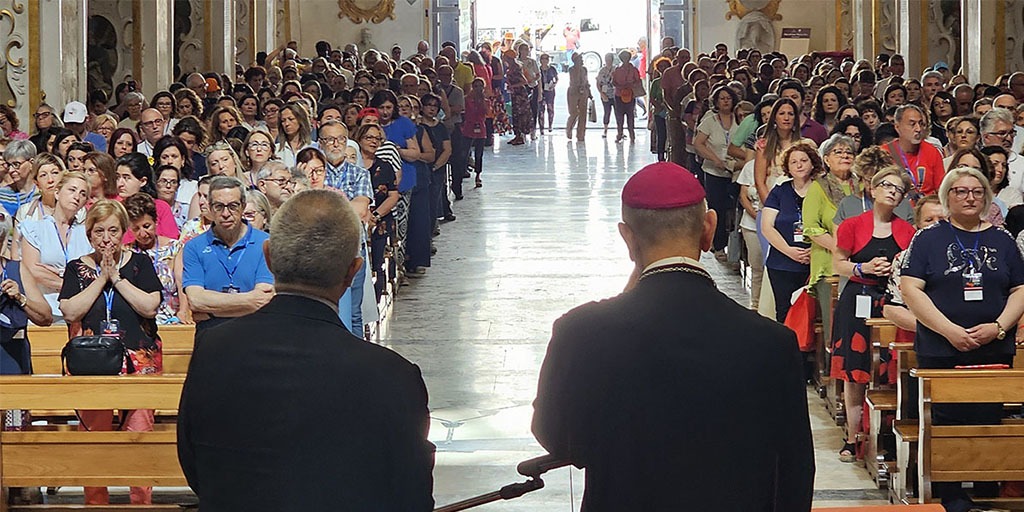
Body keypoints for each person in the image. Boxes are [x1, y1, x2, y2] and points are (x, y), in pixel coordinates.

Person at [532, 161, 814, 511]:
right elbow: (795, 472)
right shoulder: (772, 342)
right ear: (708, 228)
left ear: (626, 237)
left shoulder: (580, 331)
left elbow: (556, 436)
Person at [177, 189, 434, 511]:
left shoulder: (214, 349)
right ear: (352, 271)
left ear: (268, 257)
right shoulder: (392, 374)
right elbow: (411, 494)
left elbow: (192, 462)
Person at [901, 167, 1024, 512]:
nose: (969, 197)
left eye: (976, 191)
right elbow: (911, 288)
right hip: (942, 347)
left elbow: (1019, 288)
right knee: (947, 423)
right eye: (960, 191)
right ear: (947, 197)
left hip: (992, 346)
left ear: (986, 197)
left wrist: (999, 326)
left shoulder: (1002, 239)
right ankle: (950, 494)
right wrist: (948, 330)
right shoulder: (927, 238)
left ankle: (987, 488)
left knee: (986, 420)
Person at [58, 199, 163, 505]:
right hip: (92, 362)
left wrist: (116, 277)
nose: (106, 238)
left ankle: (141, 502)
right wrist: (101, 278)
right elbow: (70, 311)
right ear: (90, 235)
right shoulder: (77, 267)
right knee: (94, 438)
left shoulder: (140, 264)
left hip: (138, 360)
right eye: (99, 231)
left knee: (139, 436)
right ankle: (96, 503)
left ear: (124, 232)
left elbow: (149, 306)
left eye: (113, 231)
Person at [830, 168, 914, 463]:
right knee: (856, 370)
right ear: (874, 188)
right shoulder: (853, 225)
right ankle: (852, 437)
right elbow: (838, 262)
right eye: (887, 186)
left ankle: (886, 434)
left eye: (899, 189)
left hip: (892, 300)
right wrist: (862, 268)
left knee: (888, 369)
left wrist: (893, 270)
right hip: (858, 297)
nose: (892, 191)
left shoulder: (907, 231)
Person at [181, 176, 274, 332]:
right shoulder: (194, 247)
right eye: (218, 206)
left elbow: (264, 301)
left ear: (243, 206)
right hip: (211, 336)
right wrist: (249, 300)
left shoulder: (265, 243)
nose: (226, 213)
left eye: (233, 206)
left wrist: (210, 311)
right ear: (209, 208)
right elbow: (195, 300)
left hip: (256, 333)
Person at [18, 172, 92, 322]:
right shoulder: (35, 229)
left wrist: (59, 274)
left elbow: (92, 275)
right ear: (57, 193)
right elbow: (33, 270)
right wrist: (70, 282)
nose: (77, 196)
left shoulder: (87, 234)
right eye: (72, 190)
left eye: (82, 193)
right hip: (45, 311)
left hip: (80, 312)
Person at [762, 142, 818, 322]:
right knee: (784, 311)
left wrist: (815, 250)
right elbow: (767, 227)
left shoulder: (823, 190)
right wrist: (790, 252)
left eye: (803, 160)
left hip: (814, 260)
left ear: (812, 163)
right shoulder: (779, 191)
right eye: (794, 162)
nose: (799, 165)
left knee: (811, 313)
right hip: (782, 263)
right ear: (787, 167)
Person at [125, 193, 184, 324]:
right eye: (136, 228)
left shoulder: (175, 248)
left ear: (156, 222)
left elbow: (181, 283)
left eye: (147, 226)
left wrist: (184, 311)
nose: (142, 234)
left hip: (171, 319)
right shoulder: (126, 252)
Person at [884, 104, 945, 199]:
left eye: (921, 124)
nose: (918, 129)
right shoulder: (884, 153)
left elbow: (941, 190)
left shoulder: (932, 151)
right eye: (912, 124)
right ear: (897, 127)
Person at [115, 153, 180, 240]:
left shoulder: (161, 208)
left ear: (143, 181)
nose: (120, 184)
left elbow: (171, 242)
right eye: (118, 177)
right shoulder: (115, 209)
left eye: (126, 178)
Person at [0, 140, 40, 216]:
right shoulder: (2, 194)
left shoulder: (41, 193)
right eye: (9, 165)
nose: (11, 170)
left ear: (31, 163)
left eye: (16, 164)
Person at [611, 49, 641, 143]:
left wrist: (630, 85)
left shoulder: (633, 70)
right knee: (619, 116)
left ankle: (632, 134)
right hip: (619, 95)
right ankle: (620, 133)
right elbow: (613, 82)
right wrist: (621, 86)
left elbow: (638, 81)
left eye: (626, 57)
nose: (625, 59)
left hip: (630, 95)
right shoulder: (617, 69)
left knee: (630, 115)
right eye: (623, 58)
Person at [462, 79, 487, 189]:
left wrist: (481, 100)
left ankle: (478, 175)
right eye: (476, 86)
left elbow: (486, 112)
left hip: (480, 127)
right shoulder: (466, 99)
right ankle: (463, 170)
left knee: (479, 153)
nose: (478, 88)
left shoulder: (485, 100)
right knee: (465, 151)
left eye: (480, 86)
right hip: (469, 126)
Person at [564, 53, 589, 142]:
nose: (582, 60)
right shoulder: (572, 69)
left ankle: (581, 134)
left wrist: (588, 92)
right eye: (579, 59)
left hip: (583, 92)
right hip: (573, 92)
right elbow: (574, 80)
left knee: (583, 114)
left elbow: (586, 81)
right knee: (574, 113)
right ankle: (569, 129)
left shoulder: (584, 69)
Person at [595, 53, 616, 139]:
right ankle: (605, 130)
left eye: (609, 59)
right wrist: (601, 93)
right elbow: (598, 83)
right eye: (606, 59)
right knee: (607, 112)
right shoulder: (602, 70)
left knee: (618, 113)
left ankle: (620, 131)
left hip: (615, 94)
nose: (608, 61)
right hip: (605, 94)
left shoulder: (616, 69)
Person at [537, 53, 558, 134]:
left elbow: (556, 78)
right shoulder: (538, 69)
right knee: (541, 110)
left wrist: (554, 85)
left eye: (546, 59)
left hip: (550, 91)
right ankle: (541, 128)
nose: (545, 60)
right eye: (543, 59)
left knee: (550, 108)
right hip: (541, 91)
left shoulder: (552, 69)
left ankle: (550, 125)